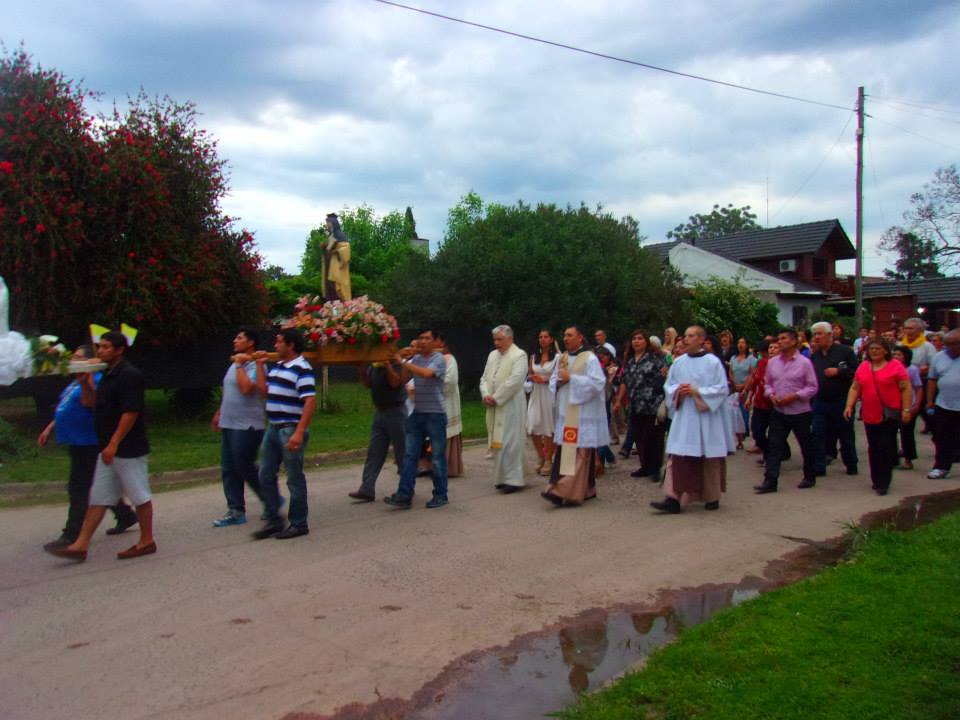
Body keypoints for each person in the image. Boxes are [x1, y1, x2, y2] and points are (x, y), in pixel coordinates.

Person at [46, 331, 155, 562]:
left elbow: (130, 412)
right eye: (100, 346)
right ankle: (80, 545)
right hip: (107, 448)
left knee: (139, 495)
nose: (101, 350)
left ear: (119, 350)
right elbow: (92, 403)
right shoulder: (105, 374)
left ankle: (147, 541)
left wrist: (114, 443)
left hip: (128, 447)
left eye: (106, 347)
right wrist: (85, 384)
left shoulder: (129, 375)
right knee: (98, 496)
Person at [650, 326, 732, 514]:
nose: (686, 339)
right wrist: (679, 390)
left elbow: (721, 389)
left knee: (708, 457)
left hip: (706, 415)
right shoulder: (679, 363)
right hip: (685, 416)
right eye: (685, 336)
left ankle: (711, 496)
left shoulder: (713, 362)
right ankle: (672, 498)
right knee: (677, 454)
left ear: (702, 340)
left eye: (691, 336)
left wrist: (697, 391)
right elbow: (668, 386)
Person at [250, 328, 316, 539]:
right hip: (273, 427)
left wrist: (299, 432)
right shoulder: (278, 366)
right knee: (265, 474)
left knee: (294, 477)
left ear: (291, 345)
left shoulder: (302, 368)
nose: (275, 345)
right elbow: (264, 390)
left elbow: (310, 401)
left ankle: (299, 522)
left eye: (279, 342)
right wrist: (260, 366)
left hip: (290, 428)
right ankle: (273, 519)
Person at [542, 326, 607, 507]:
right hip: (566, 412)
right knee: (567, 451)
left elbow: (598, 383)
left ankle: (563, 490)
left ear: (580, 338)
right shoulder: (562, 357)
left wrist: (572, 379)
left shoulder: (590, 358)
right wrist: (558, 381)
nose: (566, 338)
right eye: (564, 335)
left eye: (570, 335)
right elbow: (554, 380)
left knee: (580, 454)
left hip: (583, 414)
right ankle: (586, 489)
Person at [384, 328, 449, 508]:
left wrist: (403, 360)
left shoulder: (439, 359)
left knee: (437, 457)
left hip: (436, 414)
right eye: (420, 338)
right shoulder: (416, 358)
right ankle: (404, 495)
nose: (423, 342)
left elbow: (427, 374)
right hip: (418, 413)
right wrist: (398, 360)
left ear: (436, 341)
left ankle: (441, 495)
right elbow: (403, 380)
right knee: (410, 455)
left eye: (427, 338)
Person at [211, 329, 268, 527]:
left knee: (245, 466)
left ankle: (271, 501)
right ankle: (235, 510)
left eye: (240, 338)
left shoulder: (255, 365)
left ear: (251, 343)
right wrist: (220, 413)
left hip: (247, 425)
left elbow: (246, 389)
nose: (235, 340)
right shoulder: (236, 363)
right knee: (229, 468)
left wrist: (239, 365)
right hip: (229, 423)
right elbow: (230, 391)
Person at [754, 328, 819, 494]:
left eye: (783, 338)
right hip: (779, 411)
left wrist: (796, 396)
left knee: (806, 445)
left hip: (800, 412)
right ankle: (770, 480)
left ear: (793, 341)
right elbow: (767, 384)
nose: (779, 342)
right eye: (779, 339)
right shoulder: (772, 362)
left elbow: (812, 387)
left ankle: (809, 476)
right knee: (774, 446)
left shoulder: (804, 363)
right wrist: (771, 395)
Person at [844, 338, 911, 495]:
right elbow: (855, 388)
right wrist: (849, 405)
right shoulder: (863, 367)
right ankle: (876, 479)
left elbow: (906, 388)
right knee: (873, 447)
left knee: (886, 447)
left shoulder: (896, 366)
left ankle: (884, 482)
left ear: (886, 351)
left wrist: (906, 409)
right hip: (869, 414)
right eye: (871, 349)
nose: (874, 351)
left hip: (888, 415)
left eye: (877, 348)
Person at [349, 355, 406, 502]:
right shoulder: (375, 365)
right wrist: (361, 369)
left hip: (396, 412)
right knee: (375, 451)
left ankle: (406, 489)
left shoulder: (397, 363)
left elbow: (395, 383)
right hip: (379, 412)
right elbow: (368, 384)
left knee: (402, 452)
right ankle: (367, 488)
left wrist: (387, 364)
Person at [480, 325, 528, 493]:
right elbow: (485, 377)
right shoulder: (492, 355)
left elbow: (515, 381)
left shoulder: (519, 355)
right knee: (498, 441)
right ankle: (501, 478)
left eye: (500, 339)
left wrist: (496, 397)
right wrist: (486, 394)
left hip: (512, 405)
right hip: (495, 405)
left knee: (511, 442)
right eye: (495, 339)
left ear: (509, 339)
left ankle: (514, 480)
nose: (496, 343)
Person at [614, 330, 666, 480]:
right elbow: (624, 381)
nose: (636, 342)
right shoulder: (629, 361)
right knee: (640, 438)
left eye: (640, 339)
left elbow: (662, 378)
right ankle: (645, 466)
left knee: (653, 438)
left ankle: (655, 468)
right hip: (635, 404)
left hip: (652, 404)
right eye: (634, 339)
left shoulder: (654, 359)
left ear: (646, 342)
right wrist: (618, 400)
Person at [809, 321, 858, 477]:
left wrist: (839, 371)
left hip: (841, 401)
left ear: (830, 335)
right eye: (814, 334)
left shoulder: (844, 352)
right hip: (820, 401)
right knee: (817, 434)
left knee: (845, 435)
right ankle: (819, 466)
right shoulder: (815, 356)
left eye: (819, 334)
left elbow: (856, 372)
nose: (816, 337)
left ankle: (851, 464)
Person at [926, 328, 960, 479]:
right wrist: (930, 401)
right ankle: (941, 467)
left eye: (954, 344)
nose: (950, 348)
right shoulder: (939, 357)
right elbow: (932, 379)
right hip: (944, 404)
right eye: (947, 345)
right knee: (943, 437)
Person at [527, 329, 558, 475]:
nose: (543, 339)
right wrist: (532, 378)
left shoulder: (557, 357)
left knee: (548, 426)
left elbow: (559, 376)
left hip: (549, 394)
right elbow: (530, 374)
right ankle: (540, 455)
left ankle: (548, 459)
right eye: (540, 337)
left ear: (551, 339)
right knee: (533, 425)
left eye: (546, 337)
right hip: (536, 393)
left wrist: (545, 379)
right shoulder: (533, 357)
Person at [892, 345, 923, 470]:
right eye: (894, 354)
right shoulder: (890, 368)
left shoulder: (912, 369)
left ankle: (908, 459)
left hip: (908, 405)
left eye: (899, 355)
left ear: (906, 357)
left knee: (907, 433)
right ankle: (892, 458)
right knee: (890, 433)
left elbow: (918, 387)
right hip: (893, 405)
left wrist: (917, 404)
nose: (896, 357)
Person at [438, 333, 464, 478]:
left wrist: (434, 387)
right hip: (434, 403)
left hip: (447, 400)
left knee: (447, 431)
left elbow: (450, 381)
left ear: (442, 343)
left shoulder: (450, 359)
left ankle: (449, 466)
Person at [729, 337, 756, 447]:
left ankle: (743, 436)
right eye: (739, 342)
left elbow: (752, 374)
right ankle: (737, 440)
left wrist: (744, 387)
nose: (741, 345)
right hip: (734, 389)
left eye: (743, 343)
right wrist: (734, 385)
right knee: (734, 415)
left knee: (743, 414)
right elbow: (730, 372)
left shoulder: (751, 359)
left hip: (745, 389)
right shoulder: (733, 358)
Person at [322, 212, 351, 301]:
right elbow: (328, 250)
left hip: (337, 267)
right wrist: (325, 248)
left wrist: (336, 251)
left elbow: (346, 249)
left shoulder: (340, 235)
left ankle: (339, 307)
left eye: (328, 223)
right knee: (330, 287)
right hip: (330, 266)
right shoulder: (331, 236)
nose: (327, 225)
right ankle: (332, 308)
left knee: (337, 286)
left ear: (333, 223)